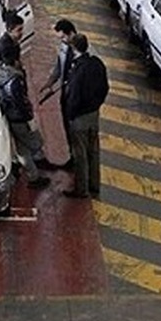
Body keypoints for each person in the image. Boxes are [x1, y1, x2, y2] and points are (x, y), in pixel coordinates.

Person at [0, 42, 50, 190]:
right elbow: (20, 102)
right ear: (15, 60)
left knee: (22, 149)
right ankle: (30, 169)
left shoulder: (0, 72)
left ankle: (33, 176)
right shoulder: (14, 80)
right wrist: (29, 116)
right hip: (20, 118)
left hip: (11, 117)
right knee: (35, 142)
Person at [62, 34, 108, 198]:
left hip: (79, 117)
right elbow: (105, 87)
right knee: (93, 151)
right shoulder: (97, 64)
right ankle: (94, 184)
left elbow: (74, 95)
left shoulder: (78, 69)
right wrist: (97, 104)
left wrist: (70, 114)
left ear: (74, 48)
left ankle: (81, 189)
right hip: (93, 114)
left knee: (80, 154)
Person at [39, 19, 78, 167]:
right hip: (65, 94)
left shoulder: (81, 50)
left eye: (63, 37)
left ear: (71, 33)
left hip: (75, 97)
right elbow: (59, 66)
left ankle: (78, 159)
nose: (62, 40)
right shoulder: (63, 46)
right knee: (66, 126)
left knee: (76, 130)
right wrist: (49, 83)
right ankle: (72, 156)